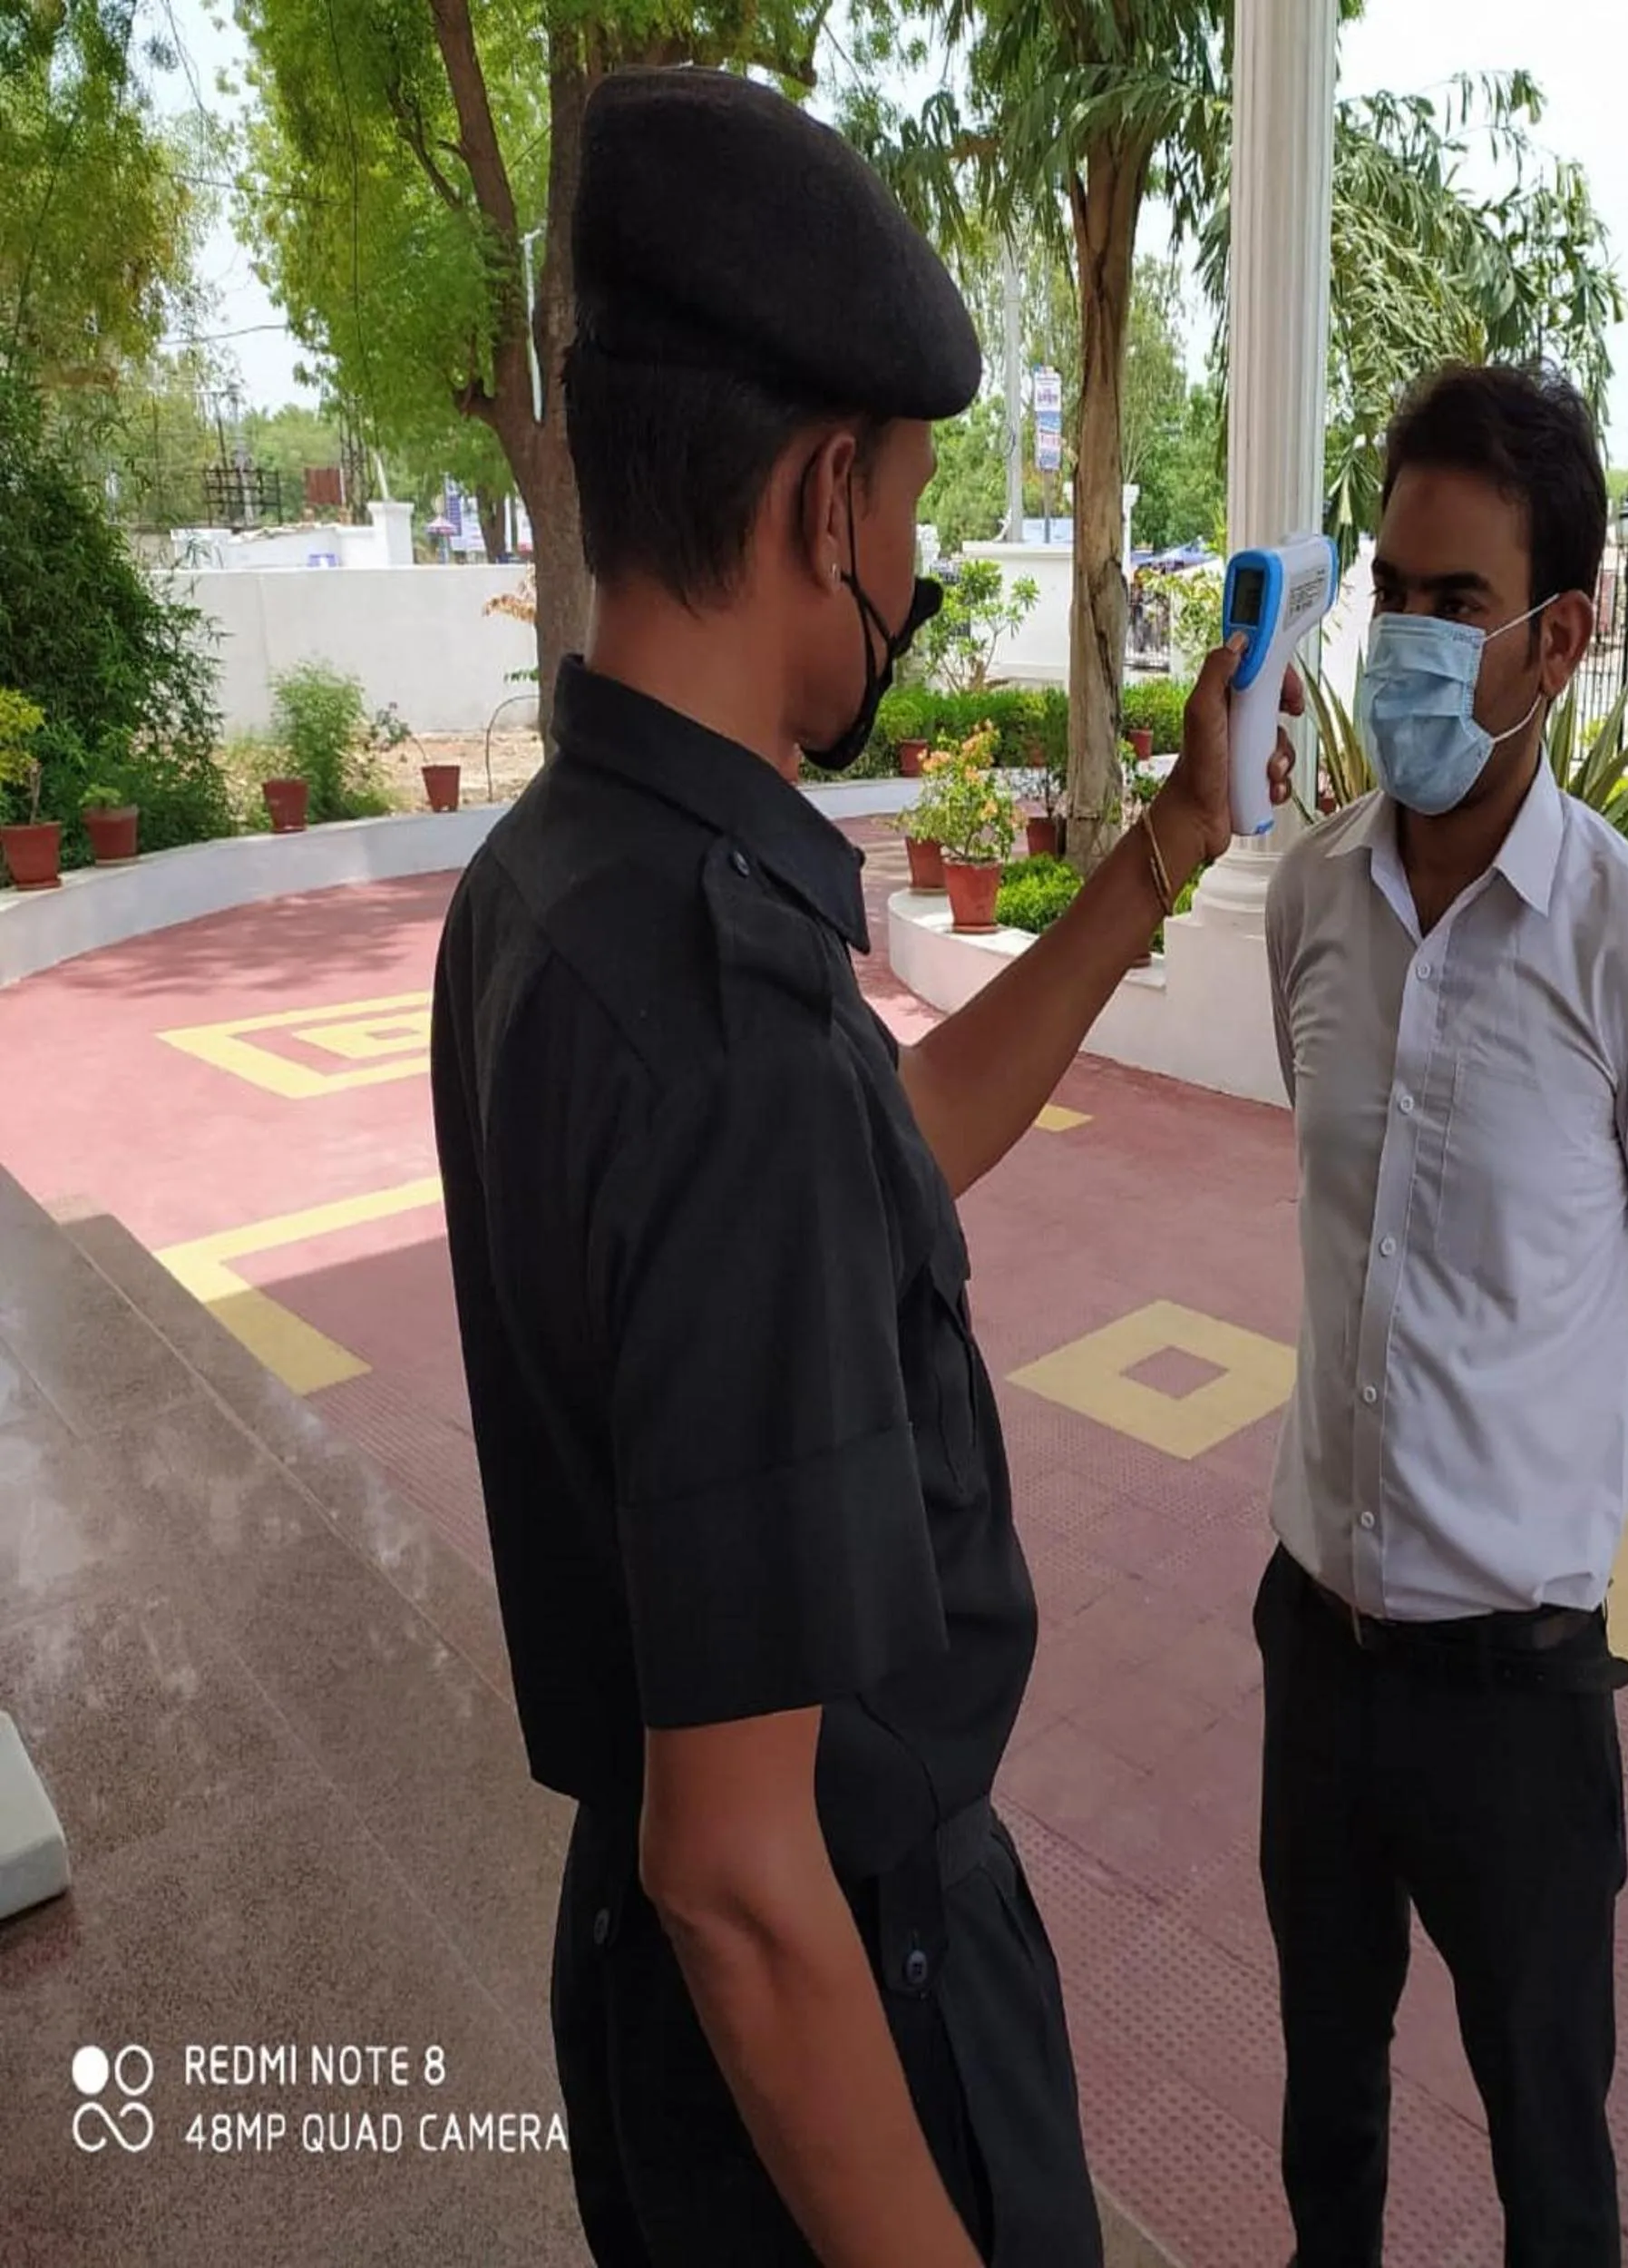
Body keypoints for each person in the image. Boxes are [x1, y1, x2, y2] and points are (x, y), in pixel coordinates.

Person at [428, 68, 1294, 2268]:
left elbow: (875, 1158)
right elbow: (741, 1870)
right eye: (906, 498)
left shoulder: (549, 882)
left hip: (653, 1987)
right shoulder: (717, 1025)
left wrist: (1160, 849)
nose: (909, 563)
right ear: (824, 493)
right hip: (834, 2012)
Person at [1257, 363, 1628, 2266]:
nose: (1397, 635)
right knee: (1326, 2111)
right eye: (1385, 588)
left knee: (1545, 2147)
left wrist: (1597, 1486)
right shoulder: (1304, 902)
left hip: (1514, 1688)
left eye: (1449, 601)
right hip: (1310, 1641)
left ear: (1554, 639)